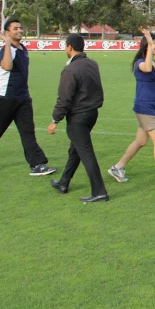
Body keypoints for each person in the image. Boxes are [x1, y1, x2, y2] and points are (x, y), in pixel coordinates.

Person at [0, 18, 57, 176]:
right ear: (7, 33)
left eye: (20, 28)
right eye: (15, 28)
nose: (19, 30)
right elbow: (7, 66)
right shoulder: (5, 49)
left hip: (23, 98)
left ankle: (36, 165)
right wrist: (6, 43)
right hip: (5, 96)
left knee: (28, 132)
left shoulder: (23, 49)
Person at [108, 30, 155, 187]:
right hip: (144, 108)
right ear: (147, 46)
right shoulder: (141, 63)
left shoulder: (154, 63)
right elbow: (147, 68)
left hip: (148, 107)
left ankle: (117, 167)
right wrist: (150, 45)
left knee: (141, 141)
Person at [48, 33, 109, 202]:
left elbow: (64, 98)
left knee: (86, 153)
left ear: (69, 47)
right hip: (92, 113)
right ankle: (63, 182)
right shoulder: (92, 64)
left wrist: (55, 120)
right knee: (75, 149)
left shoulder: (70, 69)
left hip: (78, 117)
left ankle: (99, 192)